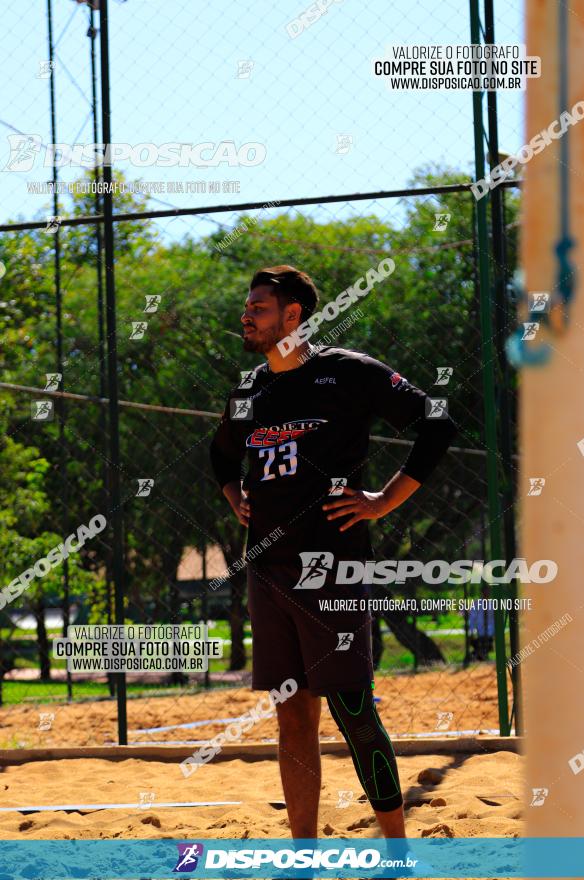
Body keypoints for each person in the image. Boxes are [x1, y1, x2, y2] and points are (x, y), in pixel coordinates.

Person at [210, 265, 457, 842]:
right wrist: (234, 497)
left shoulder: (347, 373)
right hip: (268, 573)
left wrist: (384, 499)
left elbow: (437, 423)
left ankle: (395, 847)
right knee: (291, 715)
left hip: (332, 571)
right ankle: (305, 853)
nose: (246, 317)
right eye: (247, 307)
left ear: (293, 316)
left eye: (259, 308)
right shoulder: (249, 392)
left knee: (352, 709)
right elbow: (221, 459)